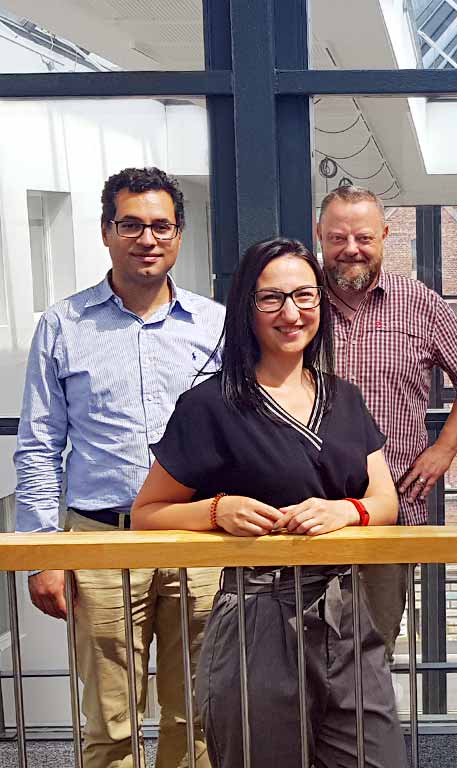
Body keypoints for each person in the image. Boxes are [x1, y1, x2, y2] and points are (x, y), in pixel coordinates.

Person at [132, 237, 406, 768]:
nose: (291, 313)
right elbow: (148, 512)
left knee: (377, 755)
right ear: (246, 308)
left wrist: (346, 511)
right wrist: (218, 510)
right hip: (258, 613)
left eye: (305, 295)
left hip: (346, 609)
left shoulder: (344, 397)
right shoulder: (211, 405)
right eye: (271, 298)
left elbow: (384, 500)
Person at [14, 167, 223, 768]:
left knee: (198, 715)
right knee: (109, 721)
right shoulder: (63, 326)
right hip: (101, 542)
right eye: (130, 224)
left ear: (179, 234)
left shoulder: (216, 325)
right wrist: (42, 553)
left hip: (195, 540)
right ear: (106, 231)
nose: (147, 238)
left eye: (161, 225)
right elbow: (39, 445)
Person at [316, 185, 457, 661]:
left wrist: (444, 451)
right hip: (306, 509)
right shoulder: (299, 302)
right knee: (299, 655)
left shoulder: (418, 303)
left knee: (372, 651)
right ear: (319, 235)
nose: (351, 249)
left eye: (363, 237)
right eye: (337, 238)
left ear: (385, 235)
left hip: (389, 509)